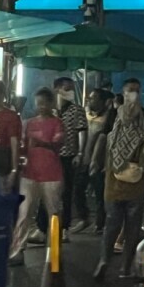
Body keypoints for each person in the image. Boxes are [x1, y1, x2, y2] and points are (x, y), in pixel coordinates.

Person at [94, 93, 144, 281]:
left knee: (111, 226)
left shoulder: (112, 136)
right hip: (135, 188)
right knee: (132, 229)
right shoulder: (143, 137)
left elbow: (104, 161)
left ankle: (103, 260)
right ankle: (125, 267)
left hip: (113, 187)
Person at [9, 88, 64, 265]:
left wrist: (41, 143)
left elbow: (58, 146)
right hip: (29, 173)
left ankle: (54, 250)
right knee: (24, 213)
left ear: (51, 103)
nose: (40, 106)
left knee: (53, 214)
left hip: (51, 175)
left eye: (44, 103)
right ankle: (18, 250)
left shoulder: (57, 123)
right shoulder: (27, 123)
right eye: (38, 103)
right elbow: (21, 147)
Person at [53, 77, 90, 234]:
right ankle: (47, 226)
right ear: (57, 90)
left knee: (67, 191)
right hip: (51, 156)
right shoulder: (52, 110)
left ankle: (64, 227)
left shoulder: (77, 110)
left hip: (69, 156)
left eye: (70, 89)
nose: (69, 92)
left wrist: (80, 153)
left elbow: (82, 132)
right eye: (66, 88)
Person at [81, 89, 113, 234]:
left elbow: (104, 139)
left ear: (103, 102)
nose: (90, 100)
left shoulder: (109, 118)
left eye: (94, 98)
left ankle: (100, 224)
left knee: (100, 194)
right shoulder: (85, 115)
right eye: (90, 98)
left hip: (99, 161)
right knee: (78, 189)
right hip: (84, 158)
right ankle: (84, 218)